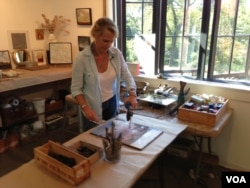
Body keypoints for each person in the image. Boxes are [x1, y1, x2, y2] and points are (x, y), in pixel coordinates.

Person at [71, 17, 137, 130]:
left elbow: (126, 75)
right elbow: (76, 89)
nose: (109, 45)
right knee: (94, 142)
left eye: (111, 41)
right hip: (92, 107)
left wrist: (132, 94)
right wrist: (85, 108)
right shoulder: (82, 58)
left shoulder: (116, 54)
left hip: (112, 103)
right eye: (105, 41)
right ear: (96, 35)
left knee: (111, 137)